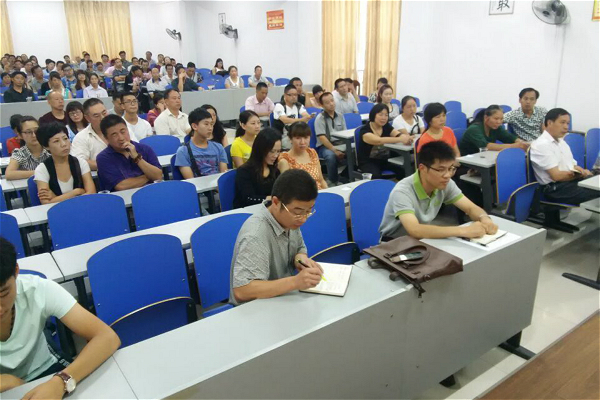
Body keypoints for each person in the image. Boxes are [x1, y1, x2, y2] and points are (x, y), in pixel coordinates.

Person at [0, 237, 120, 395]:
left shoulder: (37, 290)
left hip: (46, 370)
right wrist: (10, 381)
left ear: (16, 271)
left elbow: (107, 337)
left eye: (4, 293)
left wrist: (61, 381)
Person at [230, 169, 323, 305]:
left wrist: (300, 259)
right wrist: (295, 282)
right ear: (275, 202)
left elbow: (299, 248)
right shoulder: (255, 234)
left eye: (308, 211)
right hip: (256, 309)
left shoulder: (289, 219)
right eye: (298, 212)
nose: (303, 219)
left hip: (282, 299)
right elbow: (242, 290)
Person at [379, 141, 498, 240]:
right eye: (441, 170)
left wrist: (484, 218)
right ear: (422, 168)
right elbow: (415, 230)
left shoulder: (445, 183)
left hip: (422, 241)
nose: (447, 175)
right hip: (393, 244)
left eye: (451, 169)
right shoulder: (403, 191)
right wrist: (463, 231)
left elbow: (470, 208)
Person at [530, 108, 598, 205]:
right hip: (555, 189)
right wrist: (581, 174)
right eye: (562, 122)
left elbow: (573, 166)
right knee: (596, 189)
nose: (566, 127)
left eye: (567, 123)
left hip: (569, 183)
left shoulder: (562, 142)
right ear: (549, 123)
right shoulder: (541, 145)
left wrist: (580, 170)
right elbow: (557, 176)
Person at [33, 122, 96, 204]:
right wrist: (77, 192)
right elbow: (46, 203)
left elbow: (91, 193)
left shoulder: (80, 162)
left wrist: (56, 198)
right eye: (56, 141)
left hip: (82, 206)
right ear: (46, 146)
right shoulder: (42, 169)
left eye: (65, 139)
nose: (64, 144)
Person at [96, 115, 162, 192]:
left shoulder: (145, 149)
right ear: (106, 138)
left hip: (150, 192)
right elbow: (121, 186)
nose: (121, 138)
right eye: (114, 135)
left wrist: (137, 158)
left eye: (123, 131)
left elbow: (158, 176)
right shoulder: (103, 158)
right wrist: (149, 176)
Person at [358, 103, 413, 179]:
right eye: (380, 115)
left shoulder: (386, 126)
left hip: (384, 159)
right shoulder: (365, 130)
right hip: (368, 161)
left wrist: (406, 137)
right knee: (376, 176)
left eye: (386, 115)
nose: (383, 118)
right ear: (373, 115)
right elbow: (379, 141)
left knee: (403, 171)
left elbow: (397, 134)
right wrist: (400, 139)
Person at [233, 128, 282, 209]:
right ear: (261, 149)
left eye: (278, 151)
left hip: (270, 210)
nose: (275, 155)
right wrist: (269, 199)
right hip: (248, 212)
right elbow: (248, 199)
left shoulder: (275, 170)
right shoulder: (244, 171)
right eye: (272, 151)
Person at [174, 107, 228, 178]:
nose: (210, 128)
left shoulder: (219, 147)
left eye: (211, 124)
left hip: (217, 184)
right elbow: (191, 180)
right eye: (206, 124)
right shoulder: (183, 151)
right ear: (194, 126)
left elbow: (223, 176)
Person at [459, 105, 529, 156]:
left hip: (485, 158)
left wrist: (522, 143)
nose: (499, 122)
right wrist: (515, 146)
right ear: (486, 118)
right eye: (496, 119)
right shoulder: (474, 129)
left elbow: (509, 137)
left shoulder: (496, 128)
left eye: (501, 119)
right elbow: (486, 146)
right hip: (468, 162)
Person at [278, 122, 328, 190]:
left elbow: (321, 180)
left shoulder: (312, 153)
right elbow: (287, 189)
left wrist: (327, 191)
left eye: (306, 137)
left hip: (319, 192)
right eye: (298, 138)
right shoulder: (285, 160)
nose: (302, 142)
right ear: (290, 139)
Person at [314, 92, 347, 185]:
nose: (331, 104)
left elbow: (345, 133)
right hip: (325, 146)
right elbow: (322, 138)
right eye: (327, 102)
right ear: (322, 105)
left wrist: (344, 147)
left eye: (332, 100)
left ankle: (345, 176)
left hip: (340, 144)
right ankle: (333, 180)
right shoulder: (320, 118)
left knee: (354, 151)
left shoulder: (340, 115)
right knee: (330, 156)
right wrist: (335, 150)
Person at [71, 98, 109, 170]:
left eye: (104, 113)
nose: (102, 118)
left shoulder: (120, 128)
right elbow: (79, 161)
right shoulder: (81, 137)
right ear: (87, 118)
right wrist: (110, 165)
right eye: (96, 116)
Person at [273, 84, 313, 149]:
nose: (294, 97)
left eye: (295, 95)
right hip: (283, 136)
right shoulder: (279, 106)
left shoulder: (298, 105)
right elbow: (285, 120)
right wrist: (302, 120)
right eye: (291, 95)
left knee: (305, 140)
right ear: (285, 95)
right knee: (300, 144)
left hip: (296, 133)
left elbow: (306, 115)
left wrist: (309, 117)